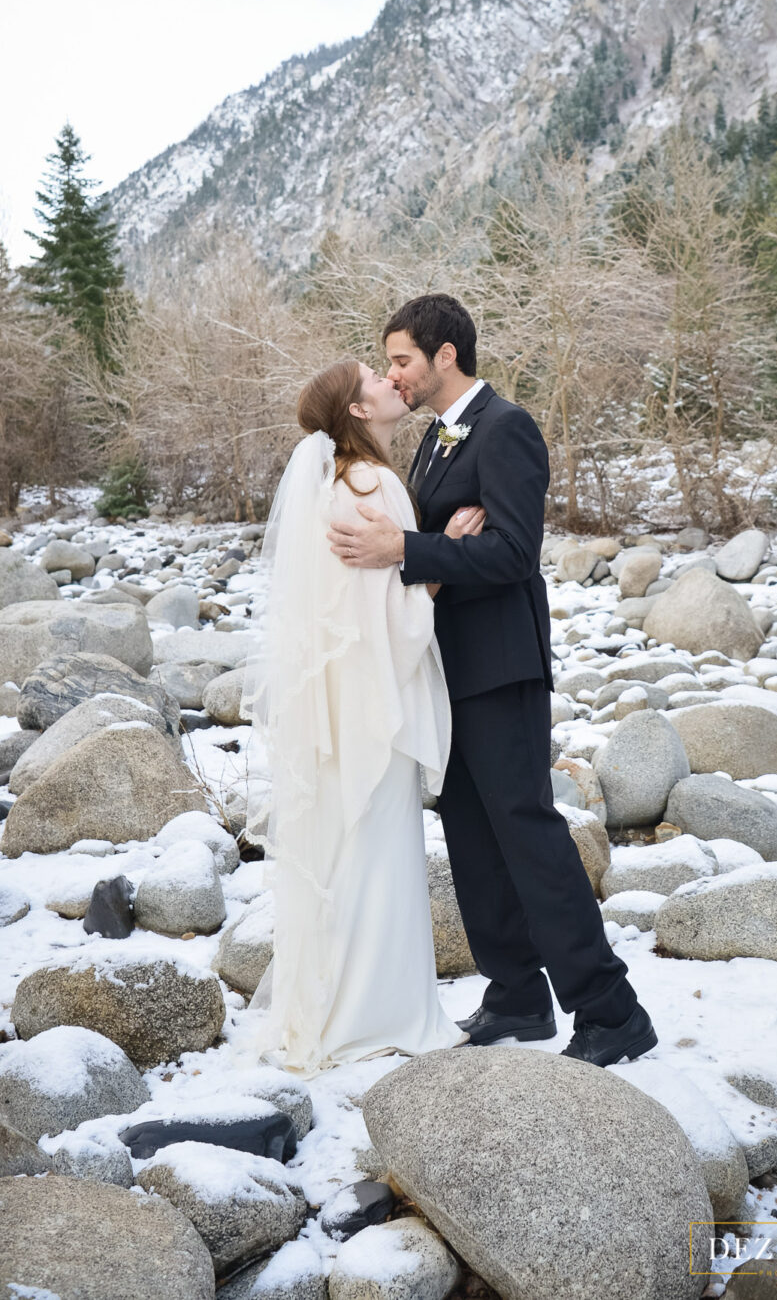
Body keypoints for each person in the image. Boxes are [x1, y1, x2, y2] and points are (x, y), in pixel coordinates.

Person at [327, 294, 658, 1067]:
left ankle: (612, 1009)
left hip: (502, 668)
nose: (394, 375)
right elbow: (434, 544)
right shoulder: (432, 444)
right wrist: (422, 548)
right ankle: (516, 994)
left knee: (530, 833)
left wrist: (411, 550)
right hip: (448, 671)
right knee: (472, 838)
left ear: (447, 355)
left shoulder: (507, 429)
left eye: (402, 359)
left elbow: (514, 554)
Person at [240, 357, 476, 1076]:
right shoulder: (376, 485)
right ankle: (382, 1015)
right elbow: (397, 621)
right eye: (374, 378)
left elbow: (341, 611)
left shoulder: (334, 487)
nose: (388, 383)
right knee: (380, 856)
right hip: (373, 703)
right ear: (357, 411)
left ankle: (334, 1010)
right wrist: (447, 557)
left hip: (335, 706)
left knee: (348, 858)